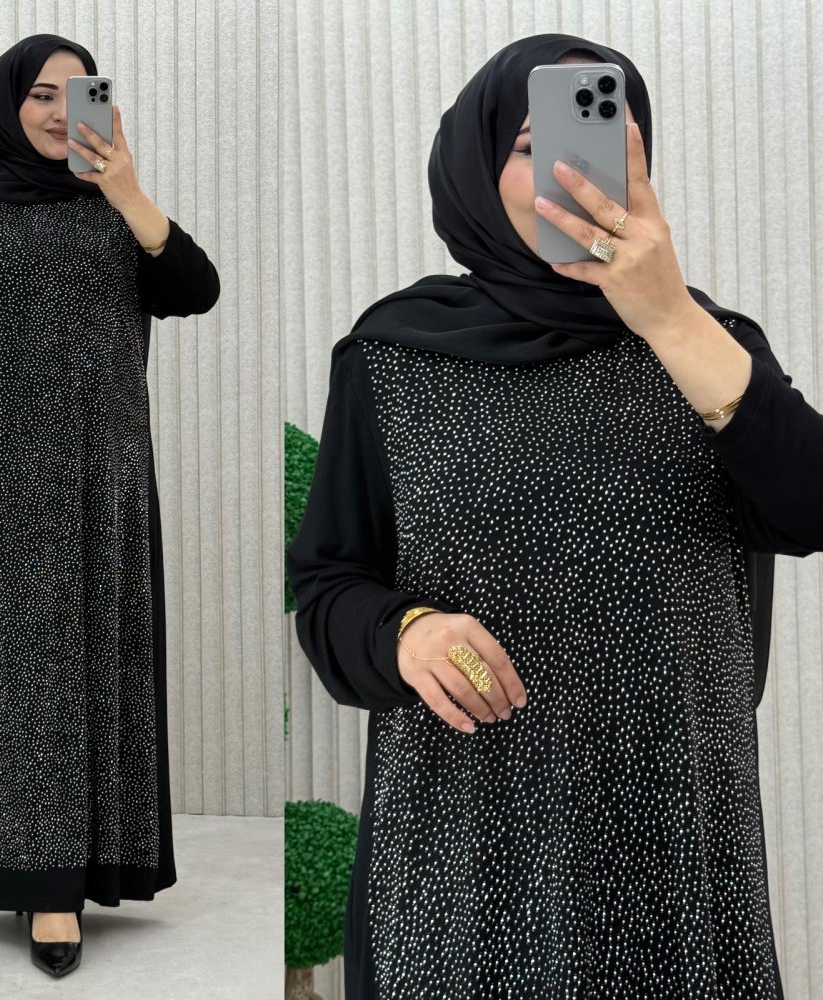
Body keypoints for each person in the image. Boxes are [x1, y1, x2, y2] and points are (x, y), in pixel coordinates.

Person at [287, 32, 823, 999]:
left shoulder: (711, 346)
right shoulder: (392, 355)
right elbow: (328, 582)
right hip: (463, 842)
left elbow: (811, 506)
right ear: (477, 163)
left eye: (609, 143)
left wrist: (668, 316)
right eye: (534, 146)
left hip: (668, 841)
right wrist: (405, 632)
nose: (572, 174)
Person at [0, 33, 218, 978]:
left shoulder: (118, 203)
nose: (60, 112)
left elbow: (195, 292)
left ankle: (72, 872)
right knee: (5, 674)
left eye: (80, 93)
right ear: (7, 102)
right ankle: (33, 879)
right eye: (41, 94)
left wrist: (130, 193)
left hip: (101, 473)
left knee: (91, 668)